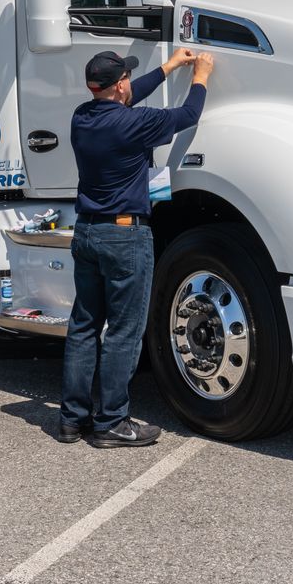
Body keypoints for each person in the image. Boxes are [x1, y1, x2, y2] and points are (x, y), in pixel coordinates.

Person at [60, 46, 213, 447]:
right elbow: (188, 115)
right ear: (119, 84)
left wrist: (169, 66)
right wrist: (200, 76)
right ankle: (112, 422)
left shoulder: (82, 117)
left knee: (83, 327)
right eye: (127, 76)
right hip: (124, 237)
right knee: (124, 332)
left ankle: (73, 419)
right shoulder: (133, 124)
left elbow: (128, 97)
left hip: (87, 233)